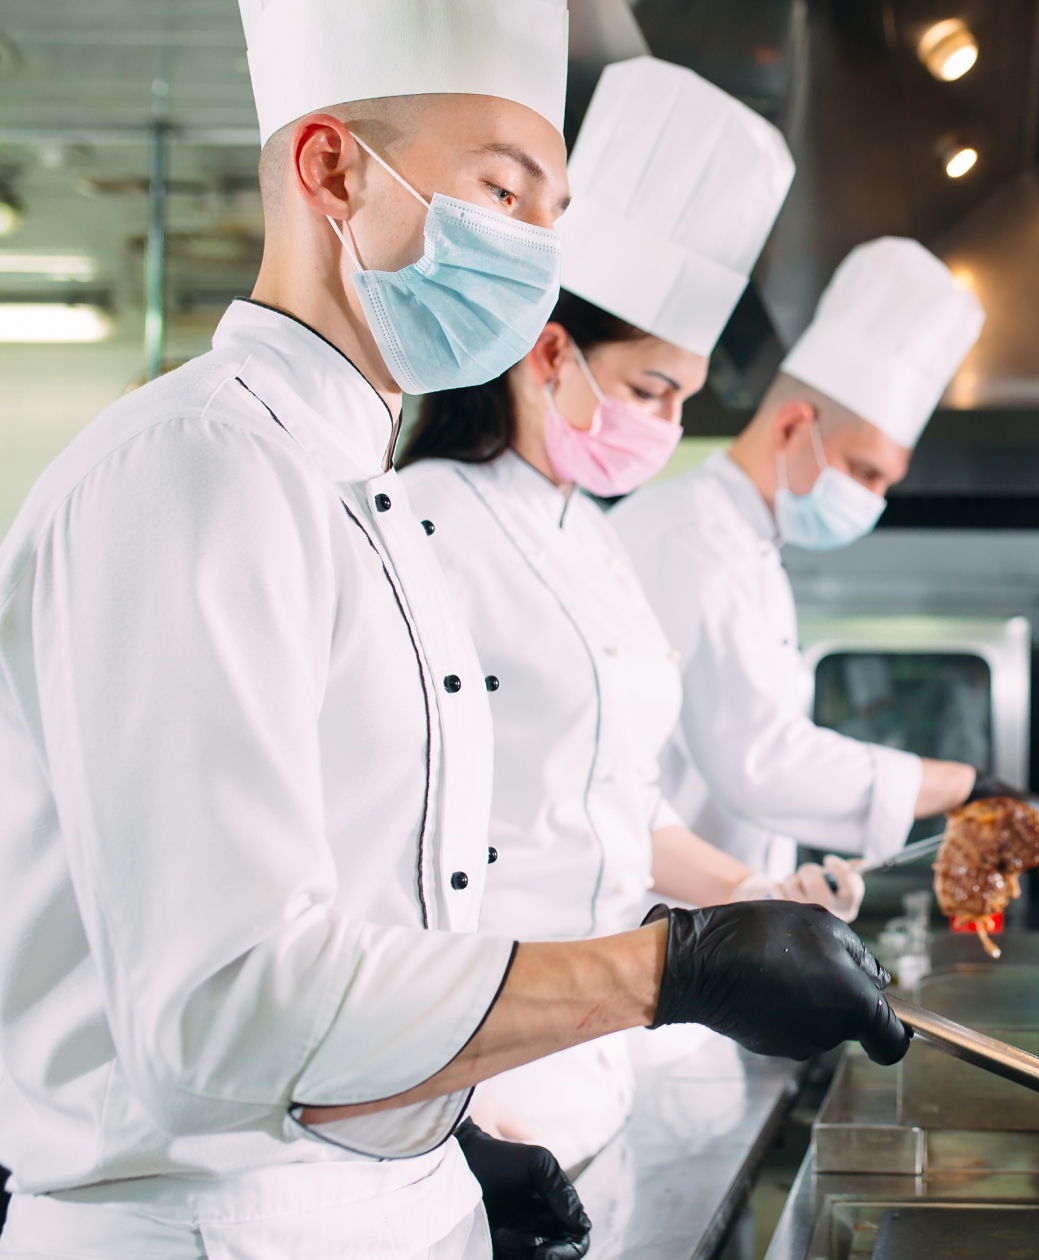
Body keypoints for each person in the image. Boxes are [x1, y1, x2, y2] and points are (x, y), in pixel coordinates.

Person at [0, 7, 906, 1259]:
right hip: (216, 1227)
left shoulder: (361, 493)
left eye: (551, 216)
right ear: (331, 170)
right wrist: (669, 970)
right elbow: (222, 1007)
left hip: (382, 1199)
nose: (535, 256)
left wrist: (445, 1136)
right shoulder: (197, 469)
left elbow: (393, 912)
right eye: (502, 194)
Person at [397, 55, 858, 1174]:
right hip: (472, 1074)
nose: (667, 427)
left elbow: (615, 806)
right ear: (551, 351)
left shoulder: (594, 538)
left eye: (684, 400)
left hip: (598, 1057)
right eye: (652, 391)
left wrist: (758, 898)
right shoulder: (424, 523)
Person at [609, 239, 996, 882]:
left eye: (884, 484)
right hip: (656, 910)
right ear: (792, 428)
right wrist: (961, 784)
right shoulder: (693, 539)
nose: (872, 500)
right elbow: (762, 763)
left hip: (710, 907)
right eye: (863, 471)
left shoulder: (749, 544)